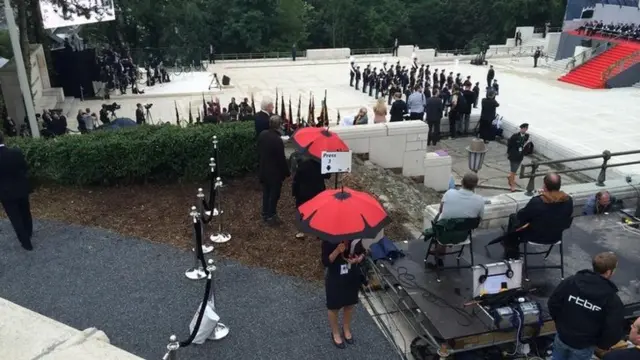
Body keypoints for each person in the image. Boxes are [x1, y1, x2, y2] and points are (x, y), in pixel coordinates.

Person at [548, 252, 625, 360]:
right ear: (608, 272)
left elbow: (553, 303)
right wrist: (602, 345)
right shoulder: (611, 299)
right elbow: (613, 328)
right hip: (584, 346)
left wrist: (560, 325)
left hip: (562, 338)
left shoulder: (571, 281)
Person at [501, 173, 573, 259]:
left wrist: (538, 197)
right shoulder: (569, 201)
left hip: (534, 236)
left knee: (513, 218)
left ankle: (511, 251)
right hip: (556, 236)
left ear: (545, 187)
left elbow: (521, 216)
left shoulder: (538, 202)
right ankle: (510, 244)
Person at [429, 173, 485, 267]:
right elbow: (479, 219)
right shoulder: (480, 200)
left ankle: (439, 251)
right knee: (452, 223)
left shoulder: (450, 193)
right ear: (475, 185)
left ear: (462, 182)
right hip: (463, 236)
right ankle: (441, 247)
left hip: (444, 234)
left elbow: (441, 210)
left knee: (441, 220)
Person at [322, 239, 365, 348]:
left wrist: (358, 259)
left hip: (351, 275)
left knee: (350, 304)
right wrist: (337, 251)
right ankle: (335, 332)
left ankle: (346, 328)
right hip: (335, 276)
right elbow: (325, 262)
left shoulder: (355, 238)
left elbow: (363, 252)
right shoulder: (329, 240)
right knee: (334, 307)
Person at [0, 133, 33, 250]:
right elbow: (25, 168)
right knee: (25, 211)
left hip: (5, 192)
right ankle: (29, 231)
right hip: (21, 188)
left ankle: (26, 243)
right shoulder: (16, 152)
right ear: (3, 138)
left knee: (15, 218)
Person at [257, 115, 290, 225]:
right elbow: (281, 159)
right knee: (274, 194)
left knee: (266, 192)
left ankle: (265, 213)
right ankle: (271, 215)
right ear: (279, 125)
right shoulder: (277, 140)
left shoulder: (262, 135)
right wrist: (286, 172)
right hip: (274, 173)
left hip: (264, 169)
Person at [292, 154, 330, 238]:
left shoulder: (303, 165)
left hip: (304, 192)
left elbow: (296, 180)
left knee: (302, 211)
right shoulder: (320, 164)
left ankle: (301, 231)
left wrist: (295, 192)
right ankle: (319, 232)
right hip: (318, 191)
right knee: (318, 211)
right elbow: (328, 176)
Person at [506, 123, 530, 192]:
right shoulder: (515, 136)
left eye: (526, 129)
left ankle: (510, 177)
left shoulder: (527, 136)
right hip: (513, 155)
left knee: (514, 170)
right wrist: (509, 153)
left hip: (520, 156)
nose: (524, 130)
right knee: (513, 171)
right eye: (523, 128)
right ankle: (512, 184)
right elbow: (509, 144)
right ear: (521, 128)